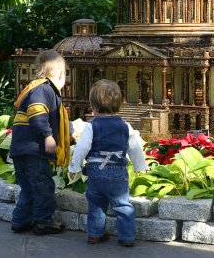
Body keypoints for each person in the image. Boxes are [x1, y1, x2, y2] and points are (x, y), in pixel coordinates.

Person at [69, 79, 147, 247]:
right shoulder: (125, 125)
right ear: (120, 104)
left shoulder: (92, 126)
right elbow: (134, 147)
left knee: (96, 204)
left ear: (93, 105)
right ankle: (127, 236)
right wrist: (140, 166)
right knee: (123, 205)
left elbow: (82, 147)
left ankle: (95, 234)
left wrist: (74, 166)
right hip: (118, 172)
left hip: (96, 171)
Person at [10, 49, 72, 235]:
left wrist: (70, 133)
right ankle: (43, 221)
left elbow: (55, 118)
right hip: (34, 150)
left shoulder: (34, 88)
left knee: (28, 188)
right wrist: (48, 135)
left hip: (21, 149)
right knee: (43, 186)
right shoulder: (44, 89)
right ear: (61, 74)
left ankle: (20, 220)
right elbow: (37, 112)